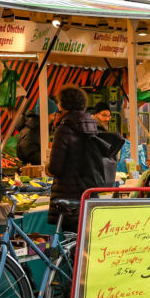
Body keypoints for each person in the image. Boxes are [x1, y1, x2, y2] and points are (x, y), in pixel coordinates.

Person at [46, 85, 101, 232]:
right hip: (90, 194)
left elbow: (55, 168)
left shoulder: (64, 129)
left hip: (69, 197)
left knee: (71, 244)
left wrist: (47, 168)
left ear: (64, 104)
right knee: (85, 245)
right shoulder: (93, 126)